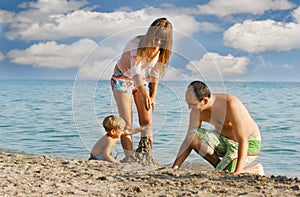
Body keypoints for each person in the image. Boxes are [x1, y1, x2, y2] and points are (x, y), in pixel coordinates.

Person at [111, 17, 173, 160]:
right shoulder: (136, 43)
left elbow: (155, 74)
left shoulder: (162, 51)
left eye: (162, 41)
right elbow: (136, 72)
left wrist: (152, 96)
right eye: (156, 39)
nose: (158, 43)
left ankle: (147, 155)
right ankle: (129, 157)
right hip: (123, 78)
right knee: (127, 122)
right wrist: (144, 94)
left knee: (147, 120)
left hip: (142, 80)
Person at [172, 81, 264, 175]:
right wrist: (175, 167)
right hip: (223, 141)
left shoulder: (230, 104)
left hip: (248, 144)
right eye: (188, 103)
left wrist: (238, 171)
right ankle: (221, 167)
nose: (189, 107)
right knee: (192, 136)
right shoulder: (196, 111)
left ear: (205, 100)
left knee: (227, 172)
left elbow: (243, 140)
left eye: (193, 104)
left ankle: (256, 169)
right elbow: (189, 140)